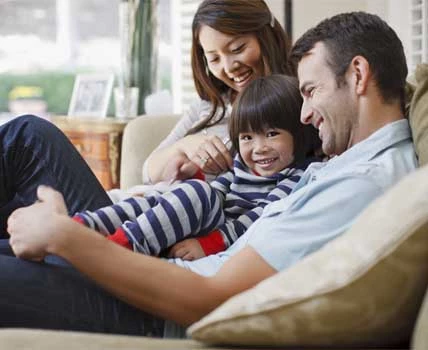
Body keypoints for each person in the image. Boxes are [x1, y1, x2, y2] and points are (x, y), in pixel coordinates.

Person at [1, 12, 418, 339]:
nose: (305, 114)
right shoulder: (349, 163)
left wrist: (64, 237)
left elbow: (211, 297)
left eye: (310, 91)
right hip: (156, 257)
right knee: (28, 135)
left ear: (358, 75)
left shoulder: (362, 184)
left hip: (151, 307)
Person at [0, 0, 293, 238]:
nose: (229, 67)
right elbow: (149, 171)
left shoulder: (288, 110)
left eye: (238, 49)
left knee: (28, 135)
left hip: (137, 228)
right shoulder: (208, 107)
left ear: (266, 33)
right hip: (120, 205)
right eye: (214, 58)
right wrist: (188, 145)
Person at [73, 75, 319, 260]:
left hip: (222, 234)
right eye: (247, 138)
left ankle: (120, 247)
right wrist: (195, 176)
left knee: (198, 193)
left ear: (299, 133)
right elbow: (216, 191)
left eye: (272, 134)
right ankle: (85, 226)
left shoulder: (295, 177)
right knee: (157, 199)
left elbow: (259, 218)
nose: (259, 148)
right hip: (204, 222)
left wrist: (209, 244)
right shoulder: (241, 168)